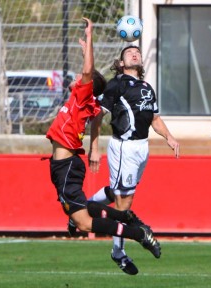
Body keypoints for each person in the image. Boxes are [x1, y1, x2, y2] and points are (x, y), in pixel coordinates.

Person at [46, 18, 161, 260]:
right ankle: (125, 218)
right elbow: (94, 90)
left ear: (85, 85)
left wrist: (89, 38)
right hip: (64, 166)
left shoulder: (80, 97)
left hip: (66, 166)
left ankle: (137, 234)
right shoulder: (80, 101)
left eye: (80, 77)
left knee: (85, 223)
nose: (77, 76)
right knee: (84, 211)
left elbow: (89, 71)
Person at [85, 45, 180, 275]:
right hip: (124, 147)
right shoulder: (116, 84)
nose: (134, 53)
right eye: (129, 52)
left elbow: (154, 117)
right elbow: (98, 114)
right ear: (120, 62)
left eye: (137, 51)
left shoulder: (147, 87)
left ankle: (85, 207)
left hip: (141, 148)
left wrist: (169, 136)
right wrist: (95, 148)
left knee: (118, 193)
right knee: (124, 203)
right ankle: (118, 252)